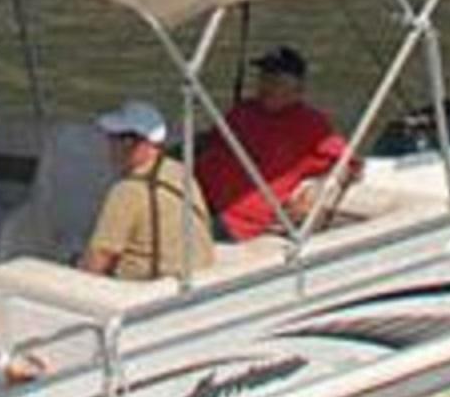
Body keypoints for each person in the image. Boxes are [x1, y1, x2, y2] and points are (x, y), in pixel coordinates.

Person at [199, 43, 348, 241]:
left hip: (237, 218)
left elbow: (346, 163)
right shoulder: (244, 110)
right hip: (201, 198)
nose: (266, 86)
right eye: (263, 78)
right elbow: (213, 142)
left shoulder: (310, 124)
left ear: (297, 88)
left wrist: (317, 188)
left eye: (275, 80)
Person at [78, 102, 209, 281]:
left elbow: (98, 258)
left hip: (147, 288)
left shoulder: (127, 191)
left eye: (114, 138)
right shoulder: (181, 172)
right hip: (197, 274)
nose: (110, 146)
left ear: (130, 143)